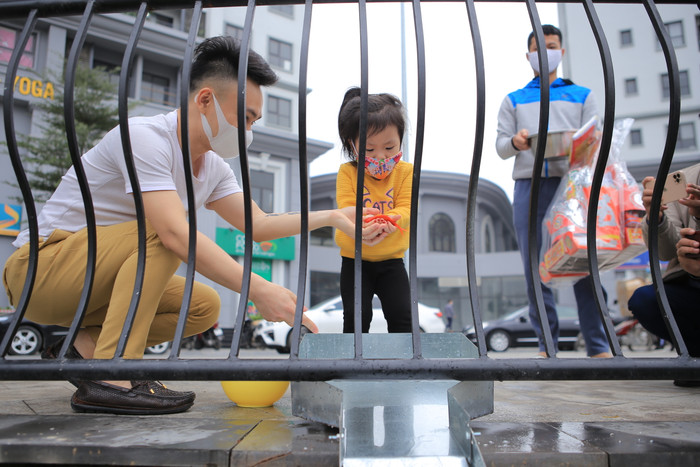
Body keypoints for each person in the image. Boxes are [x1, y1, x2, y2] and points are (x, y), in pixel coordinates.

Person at [2, 37, 364, 415]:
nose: (248, 131)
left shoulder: (213, 168)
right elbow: (174, 234)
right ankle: (112, 376)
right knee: (165, 231)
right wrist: (259, 288)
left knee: (203, 306)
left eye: (254, 121)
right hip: (40, 271)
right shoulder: (145, 137)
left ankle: (84, 349)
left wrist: (331, 217)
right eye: (244, 117)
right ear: (205, 99)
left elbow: (257, 223)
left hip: (94, 285)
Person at [495, 24, 611, 358]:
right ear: (528, 55)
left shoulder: (582, 95)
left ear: (562, 50)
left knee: (584, 261)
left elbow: (596, 138)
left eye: (552, 45)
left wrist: (582, 142)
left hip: (573, 184)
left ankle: (598, 345)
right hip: (529, 187)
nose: (546, 52)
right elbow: (501, 146)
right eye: (539, 48)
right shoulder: (514, 100)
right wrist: (516, 142)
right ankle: (547, 346)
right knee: (535, 268)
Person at [335, 88, 413, 333]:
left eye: (390, 148)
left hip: (392, 261)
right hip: (355, 260)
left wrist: (391, 219)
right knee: (356, 316)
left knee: (402, 315)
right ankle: (353, 357)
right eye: (369, 150)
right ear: (353, 145)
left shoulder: (406, 172)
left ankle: (404, 358)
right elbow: (348, 209)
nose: (380, 157)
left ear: (400, 140)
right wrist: (372, 223)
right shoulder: (348, 172)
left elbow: (406, 207)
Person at [628, 163, 700, 386]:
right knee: (646, 300)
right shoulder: (686, 179)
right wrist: (656, 218)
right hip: (690, 282)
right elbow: (666, 251)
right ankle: (694, 357)